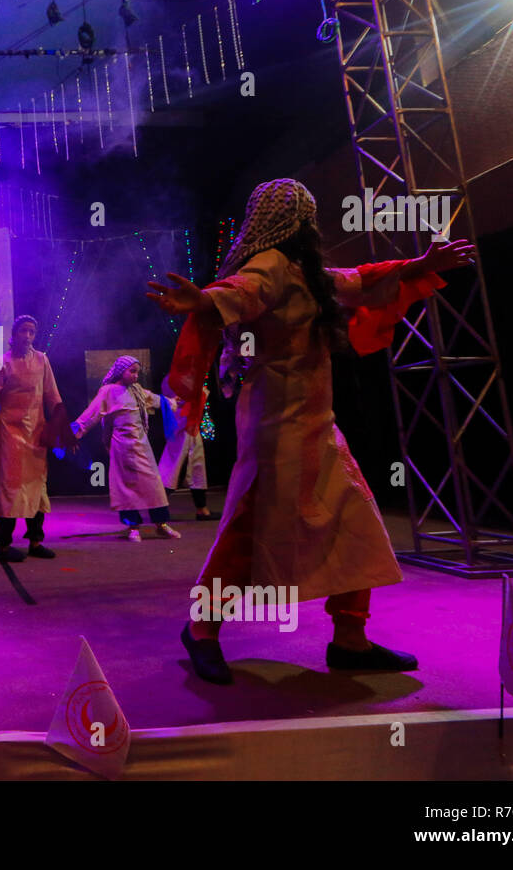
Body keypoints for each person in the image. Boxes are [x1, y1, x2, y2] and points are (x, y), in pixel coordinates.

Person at [146, 178, 475, 684]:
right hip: (275, 427)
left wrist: (420, 266)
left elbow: (359, 281)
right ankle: (202, 629)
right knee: (247, 533)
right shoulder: (272, 265)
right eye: (306, 215)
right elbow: (242, 291)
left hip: (317, 424)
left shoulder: (306, 273)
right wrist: (203, 302)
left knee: (354, 520)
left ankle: (350, 640)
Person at [0, 315, 75, 561]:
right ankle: (3, 545)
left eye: (31, 332)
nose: (27, 336)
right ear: (14, 334)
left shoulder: (42, 360)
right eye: (23, 331)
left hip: (36, 432)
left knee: (37, 486)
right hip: (10, 433)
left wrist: (62, 429)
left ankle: (35, 542)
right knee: (11, 487)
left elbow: (52, 395)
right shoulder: (2, 362)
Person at [70, 356, 181, 541]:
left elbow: (154, 399)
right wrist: (71, 433)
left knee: (154, 484)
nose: (136, 376)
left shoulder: (136, 390)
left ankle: (161, 524)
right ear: (121, 371)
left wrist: (170, 401)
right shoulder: (108, 391)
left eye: (138, 372)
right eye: (132, 371)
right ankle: (133, 527)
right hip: (121, 447)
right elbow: (91, 415)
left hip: (142, 446)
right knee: (126, 488)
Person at [159, 382, 212, 519]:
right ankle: (157, 510)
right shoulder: (173, 378)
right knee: (172, 468)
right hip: (180, 428)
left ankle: (202, 509)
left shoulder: (195, 377)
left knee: (197, 468)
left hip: (192, 429)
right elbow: (170, 401)